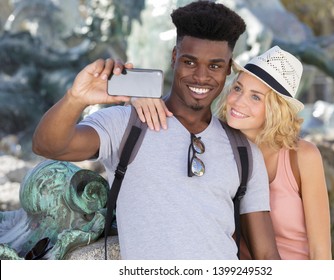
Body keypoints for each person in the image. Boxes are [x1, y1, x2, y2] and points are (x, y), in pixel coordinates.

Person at [32, 1, 280, 260]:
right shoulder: (127, 125)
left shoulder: (244, 152)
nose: (201, 76)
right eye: (190, 62)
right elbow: (47, 145)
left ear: (229, 69)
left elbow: (265, 254)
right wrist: (76, 98)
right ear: (174, 57)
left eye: (215, 66)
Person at [133, 46, 332, 260]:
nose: (238, 101)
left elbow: (321, 251)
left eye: (255, 97)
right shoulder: (213, 143)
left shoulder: (302, 156)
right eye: (238, 88)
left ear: (275, 109)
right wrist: (138, 98)